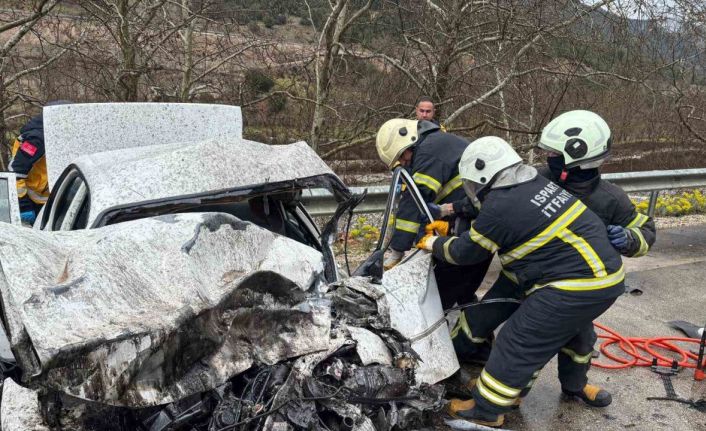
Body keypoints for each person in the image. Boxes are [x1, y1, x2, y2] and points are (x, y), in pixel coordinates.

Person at [417, 137, 625, 428]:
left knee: (519, 340)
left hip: (571, 284)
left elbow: (465, 252)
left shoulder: (501, 206)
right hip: (598, 278)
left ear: (482, 177)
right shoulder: (533, 183)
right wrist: (448, 211)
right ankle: (532, 388)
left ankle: (487, 409)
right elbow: (485, 206)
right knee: (572, 333)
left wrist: (433, 243)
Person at [448, 110, 656, 369]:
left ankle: (575, 386)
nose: (549, 157)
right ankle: (452, 361)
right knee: (479, 319)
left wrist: (629, 238)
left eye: (555, 153)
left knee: (580, 341)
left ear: (577, 158)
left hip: (567, 286)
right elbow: (495, 202)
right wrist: (452, 209)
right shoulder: (537, 178)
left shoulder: (610, 198)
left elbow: (646, 230)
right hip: (518, 275)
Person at [376, 118, 493, 316]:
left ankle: (454, 330)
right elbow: (427, 206)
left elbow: (415, 200)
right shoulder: (437, 143)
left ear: (409, 142)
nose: (403, 163)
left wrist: (397, 250)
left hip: (475, 231)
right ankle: (474, 330)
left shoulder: (428, 153)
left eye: (401, 157)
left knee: (435, 301)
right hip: (481, 223)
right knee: (463, 295)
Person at [9, 100, 71, 224]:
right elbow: (16, 172)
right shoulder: (37, 139)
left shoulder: (59, 134)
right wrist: (23, 205)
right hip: (34, 201)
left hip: (53, 197)